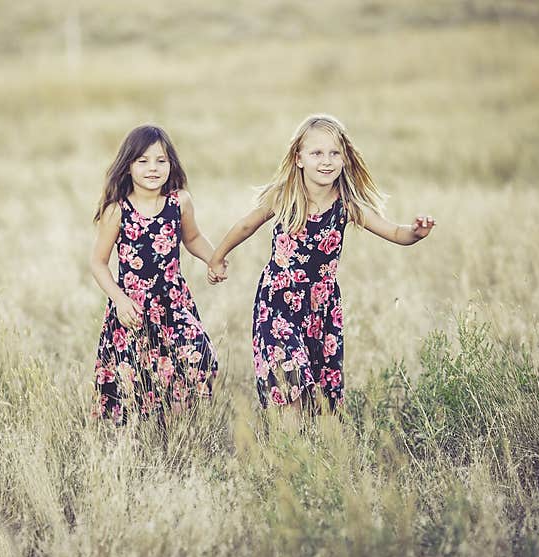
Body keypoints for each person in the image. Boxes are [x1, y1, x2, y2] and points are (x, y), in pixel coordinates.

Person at [207, 114, 435, 412]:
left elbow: (393, 231)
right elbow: (246, 226)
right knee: (288, 376)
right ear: (299, 158)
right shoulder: (285, 196)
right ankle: (285, 448)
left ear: (344, 159)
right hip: (279, 302)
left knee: (317, 395)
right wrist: (218, 257)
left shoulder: (347, 204)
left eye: (334, 153)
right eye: (316, 153)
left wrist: (415, 233)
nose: (326, 161)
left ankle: (305, 451)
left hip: (321, 309)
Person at [90, 124, 219, 425]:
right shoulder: (117, 211)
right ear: (128, 166)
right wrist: (120, 301)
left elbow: (193, 238)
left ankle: (180, 427)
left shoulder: (179, 202)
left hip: (174, 304)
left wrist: (214, 259)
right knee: (137, 380)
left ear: (171, 163)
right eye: (143, 161)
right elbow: (98, 262)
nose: (153, 168)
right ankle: (141, 441)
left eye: (161, 160)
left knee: (201, 358)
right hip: (132, 308)